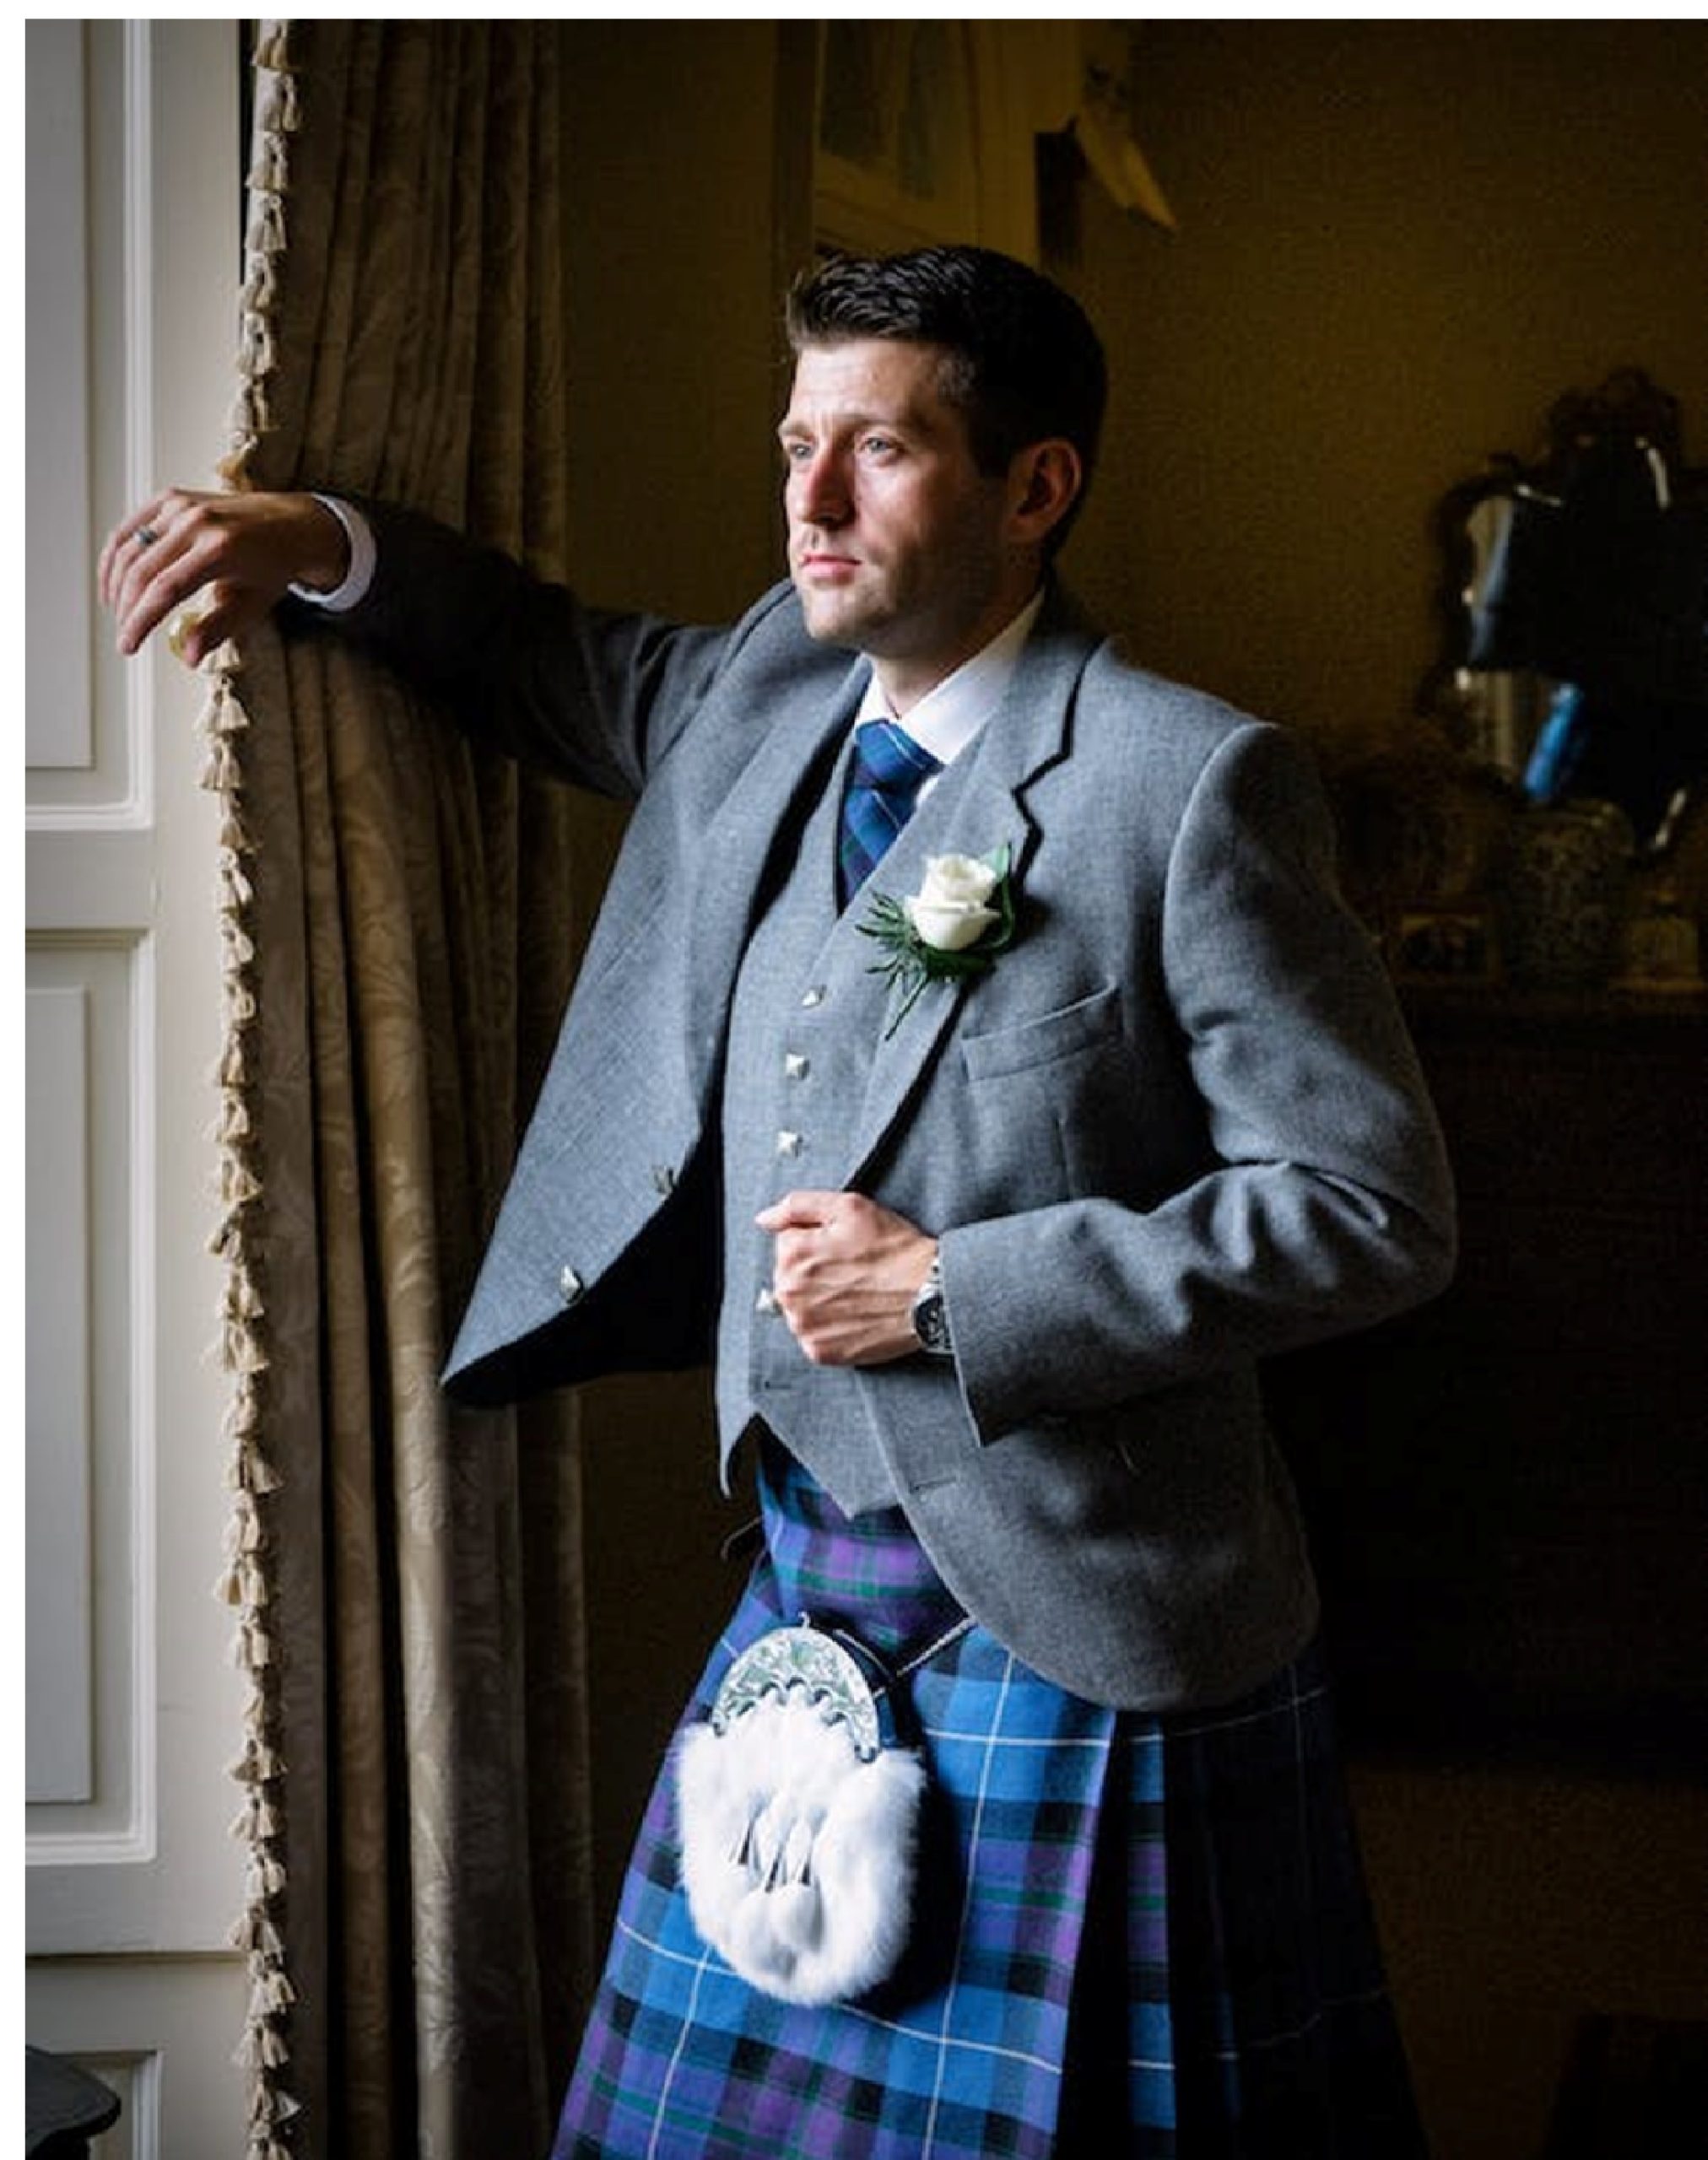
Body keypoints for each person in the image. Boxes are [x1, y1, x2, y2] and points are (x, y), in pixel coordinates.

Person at [105, 245, 1455, 2157]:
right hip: (809, 1585)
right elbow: (536, 654)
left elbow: (1369, 1202)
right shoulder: (762, 689)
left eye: (879, 451)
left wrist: (959, 1289)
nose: (811, 502)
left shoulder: (1186, 782)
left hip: (1087, 1600)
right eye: (793, 444)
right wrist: (315, 539)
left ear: (1033, 485)